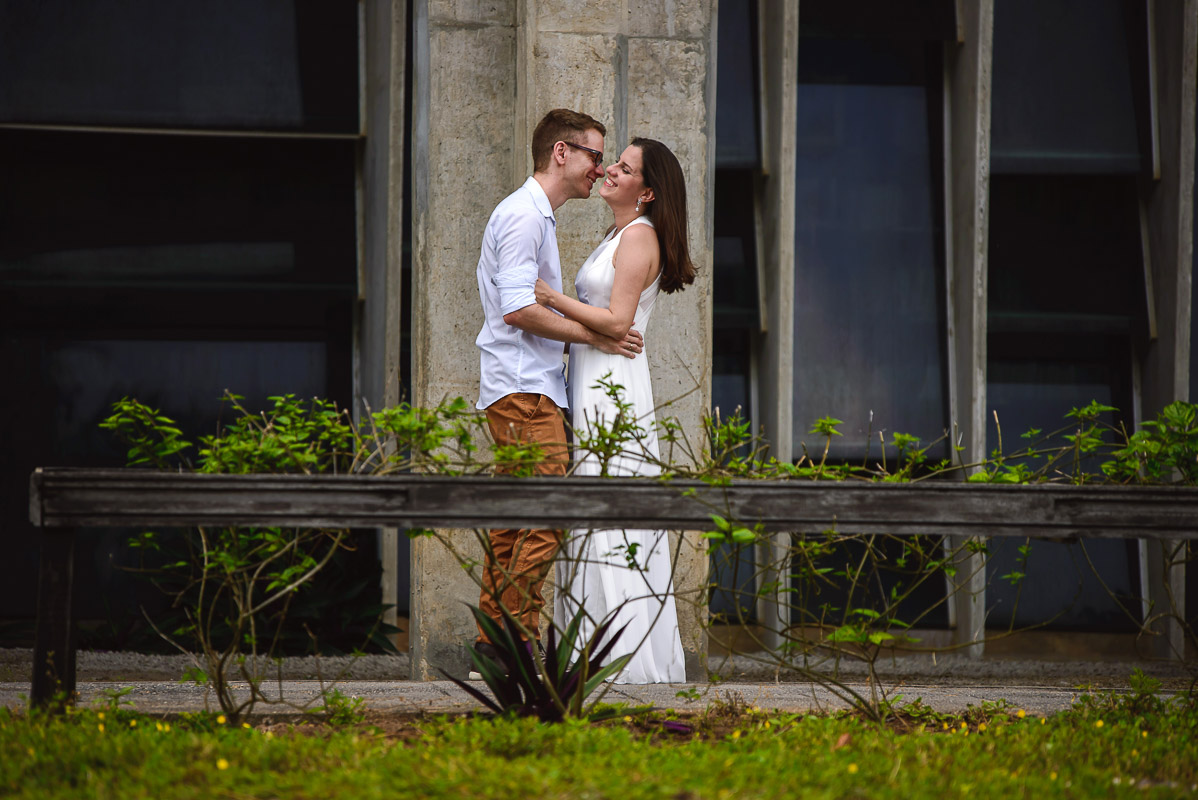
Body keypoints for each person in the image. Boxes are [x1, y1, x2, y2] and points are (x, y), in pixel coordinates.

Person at [472, 109, 644, 672]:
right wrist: (597, 334)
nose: (600, 167)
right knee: (545, 518)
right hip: (526, 391)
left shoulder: (536, 215)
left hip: (520, 387)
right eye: (596, 155)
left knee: (514, 521)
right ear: (562, 153)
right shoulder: (524, 216)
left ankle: (495, 651)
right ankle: (519, 649)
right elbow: (519, 309)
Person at [534, 137, 695, 683]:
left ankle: (625, 661)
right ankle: (590, 653)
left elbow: (619, 322)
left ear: (647, 192)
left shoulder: (640, 236)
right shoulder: (618, 233)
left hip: (613, 387)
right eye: (614, 164)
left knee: (610, 517)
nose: (610, 172)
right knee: (590, 513)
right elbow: (607, 324)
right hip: (594, 376)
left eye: (624, 169)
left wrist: (549, 298)